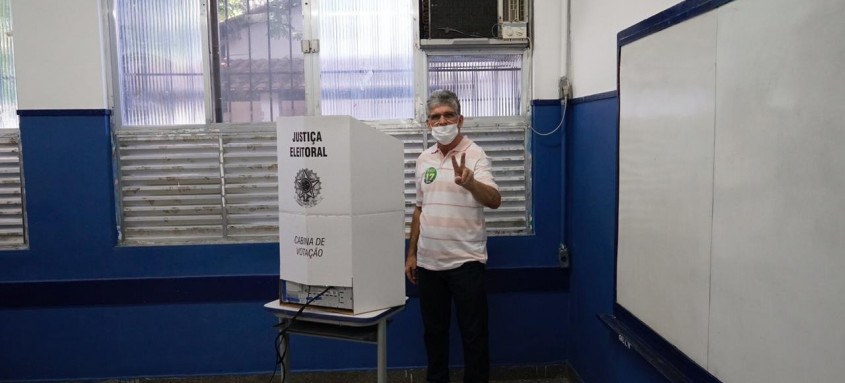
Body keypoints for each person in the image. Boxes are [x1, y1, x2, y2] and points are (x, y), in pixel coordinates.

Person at [405, 89, 501, 383]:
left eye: (448, 115)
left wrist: (471, 183)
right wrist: (411, 254)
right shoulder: (424, 159)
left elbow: (495, 199)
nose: (442, 121)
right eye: (435, 117)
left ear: (461, 119)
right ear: (428, 123)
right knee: (434, 334)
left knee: (474, 336)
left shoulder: (475, 154)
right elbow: (420, 208)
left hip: (466, 263)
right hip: (429, 264)